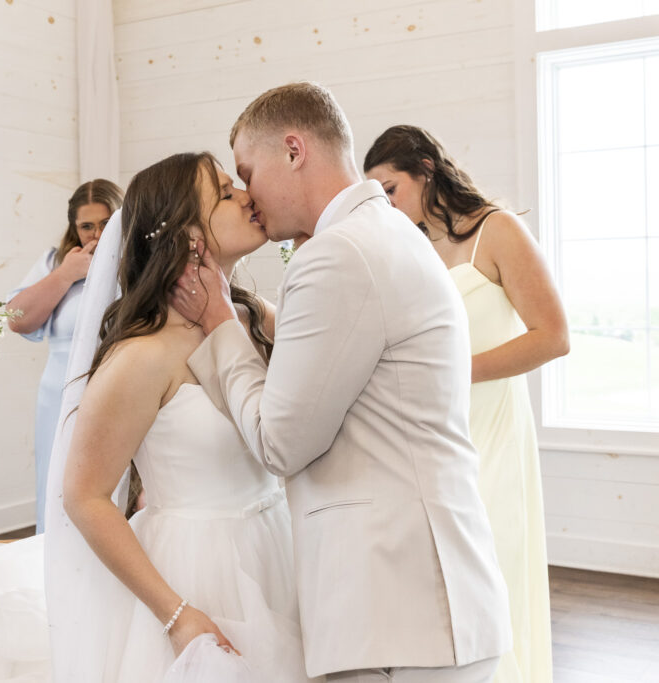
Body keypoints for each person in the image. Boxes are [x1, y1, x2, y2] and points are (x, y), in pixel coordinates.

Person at [170, 82, 512, 682]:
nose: (247, 195)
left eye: (249, 171)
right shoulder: (390, 231)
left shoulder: (337, 254)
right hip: (427, 602)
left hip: (395, 617)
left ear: (295, 150)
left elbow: (280, 442)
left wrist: (222, 320)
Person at [61, 152, 317, 682]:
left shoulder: (256, 317)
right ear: (188, 234)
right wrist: (176, 616)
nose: (247, 195)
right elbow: (84, 497)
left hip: (280, 544)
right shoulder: (143, 356)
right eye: (226, 193)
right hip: (196, 570)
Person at [364, 124, 568, 683]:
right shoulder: (410, 246)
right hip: (432, 441)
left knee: (493, 573)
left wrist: (459, 372)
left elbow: (553, 336)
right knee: (444, 592)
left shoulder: (497, 231)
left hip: (493, 431)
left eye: (390, 190)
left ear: (426, 170)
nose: (385, 205)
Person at [8, 179, 123, 532]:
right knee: (56, 483)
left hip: (114, 388)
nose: (97, 234)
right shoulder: (56, 261)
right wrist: (66, 274)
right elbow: (17, 318)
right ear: (74, 227)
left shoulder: (136, 262)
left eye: (106, 223)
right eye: (87, 226)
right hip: (57, 396)